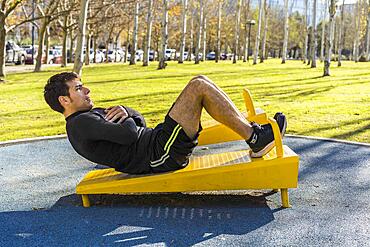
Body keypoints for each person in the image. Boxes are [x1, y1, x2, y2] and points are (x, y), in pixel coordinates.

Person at [44, 72, 287, 174]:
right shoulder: (80, 124)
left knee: (199, 81)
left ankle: (253, 133)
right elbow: (129, 133)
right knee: (197, 87)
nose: (86, 89)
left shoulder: (88, 116)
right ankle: (254, 137)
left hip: (157, 142)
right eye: (78, 88)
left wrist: (127, 112)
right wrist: (127, 117)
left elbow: (139, 119)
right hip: (158, 155)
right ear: (65, 100)